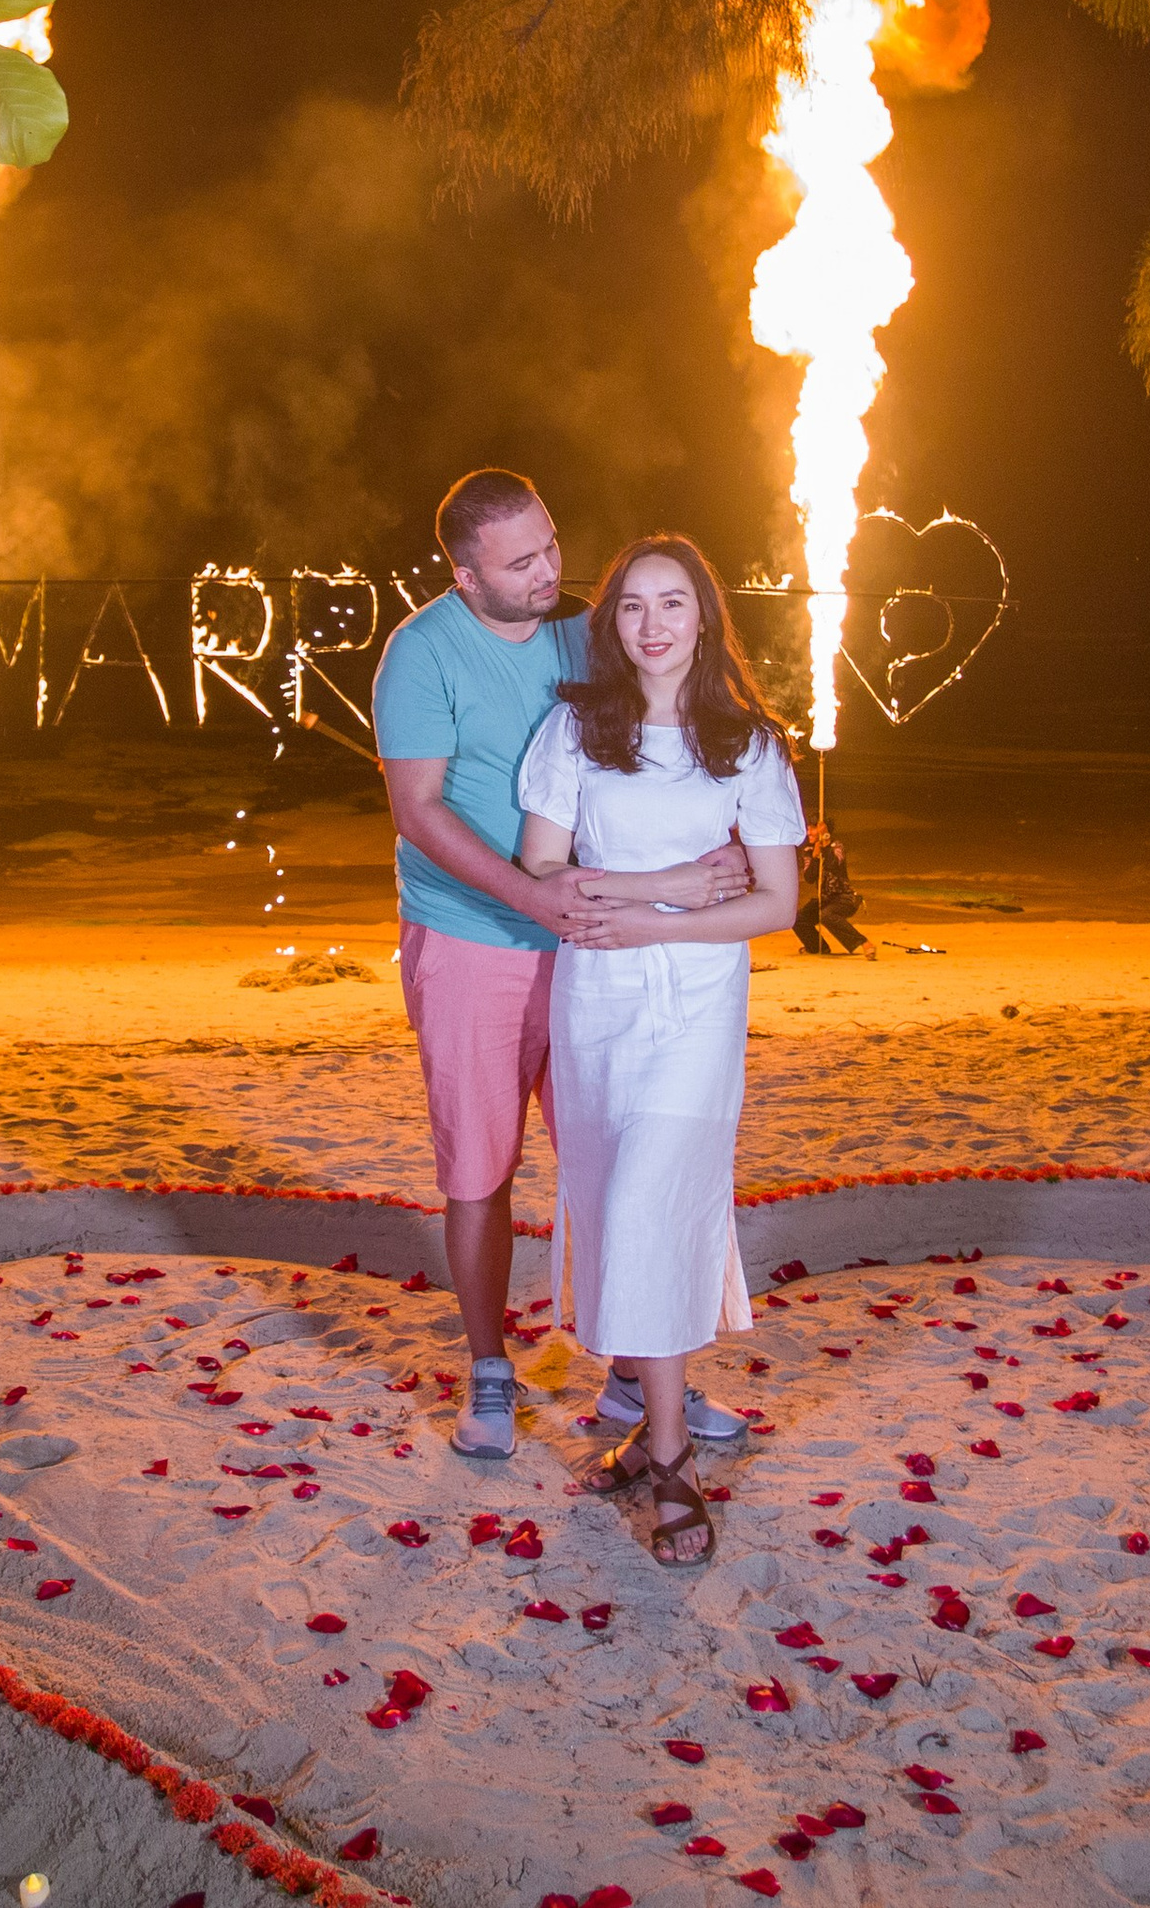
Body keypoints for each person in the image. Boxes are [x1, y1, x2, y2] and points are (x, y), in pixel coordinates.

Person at [374, 470, 752, 1462]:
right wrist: (527, 893)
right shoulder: (420, 653)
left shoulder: (581, 631)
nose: (549, 571)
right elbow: (418, 809)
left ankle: (636, 1377)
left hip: (593, 942)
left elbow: (663, 734)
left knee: (614, 1157)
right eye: (521, 562)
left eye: (550, 545)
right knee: (479, 1168)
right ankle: (490, 1370)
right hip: (472, 941)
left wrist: (720, 845)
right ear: (466, 576)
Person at [517, 534, 805, 1566]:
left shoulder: (748, 744)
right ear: (612, 624)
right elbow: (542, 871)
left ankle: (671, 1451)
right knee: (614, 1199)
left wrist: (655, 921)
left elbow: (777, 901)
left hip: (697, 1008)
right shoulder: (574, 729)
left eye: (672, 602)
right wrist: (672, 886)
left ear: (704, 618)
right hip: (597, 1000)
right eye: (632, 605)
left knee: (653, 1197)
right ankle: (649, 1428)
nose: (652, 623)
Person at [793, 818, 872, 956]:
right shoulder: (809, 850)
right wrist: (815, 857)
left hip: (845, 898)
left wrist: (826, 843)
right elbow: (809, 878)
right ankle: (817, 948)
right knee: (797, 918)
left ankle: (864, 943)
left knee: (827, 915)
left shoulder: (837, 846)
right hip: (825, 899)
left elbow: (833, 865)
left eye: (812, 829)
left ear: (823, 829)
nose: (808, 832)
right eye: (808, 828)